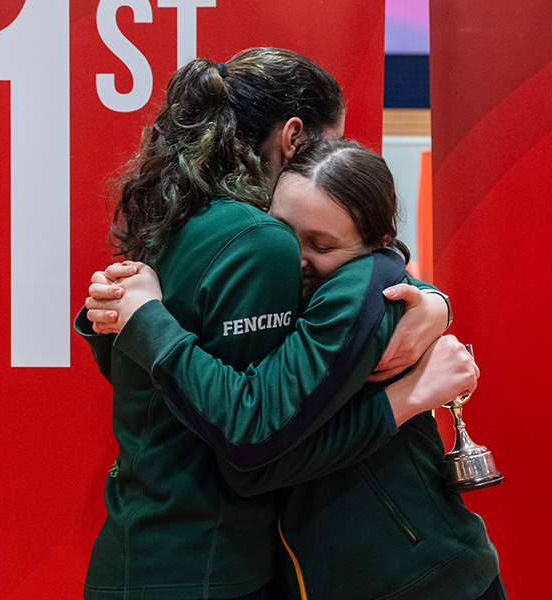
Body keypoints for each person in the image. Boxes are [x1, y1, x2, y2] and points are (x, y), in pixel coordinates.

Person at [75, 48, 464, 600]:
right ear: (296, 137)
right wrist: (407, 392)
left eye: (322, 245)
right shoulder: (258, 238)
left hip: (149, 546)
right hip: (207, 560)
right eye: (331, 142)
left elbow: (134, 362)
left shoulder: (184, 211)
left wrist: (425, 297)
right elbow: (254, 434)